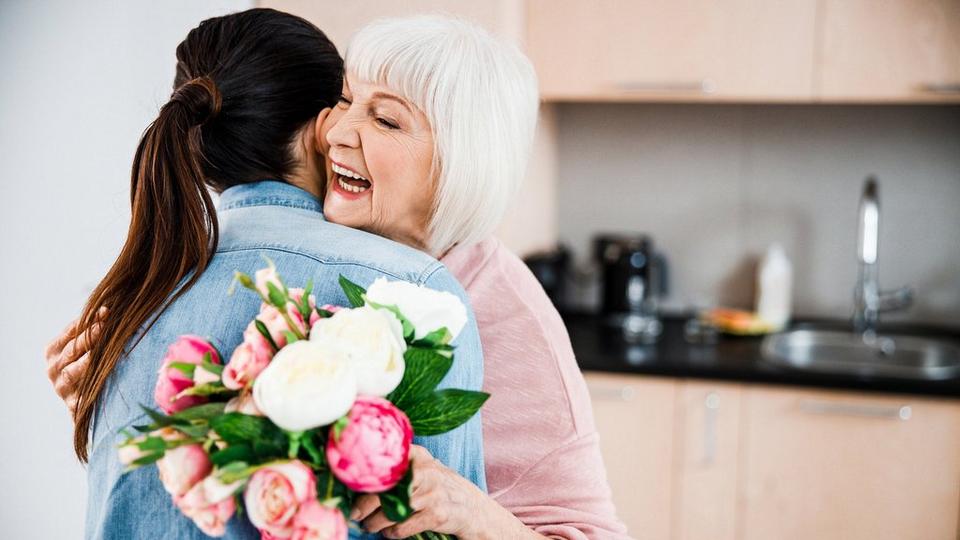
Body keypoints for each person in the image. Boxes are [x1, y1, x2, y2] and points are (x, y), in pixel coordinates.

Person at [48, 12, 631, 540]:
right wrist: (113, 384)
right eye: (345, 100)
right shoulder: (305, 263)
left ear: (462, 161)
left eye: (385, 119)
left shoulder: (494, 306)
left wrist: (474, 514)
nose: (335, 131)